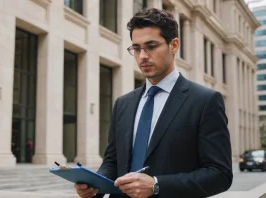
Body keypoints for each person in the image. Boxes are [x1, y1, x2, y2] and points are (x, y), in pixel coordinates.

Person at [74, 8, 232, 198]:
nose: (142, 56)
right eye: (136, 48)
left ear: (174, 45)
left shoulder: (205, 101)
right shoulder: (123, 104)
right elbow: (112, 162)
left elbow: (220, 174)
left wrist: (157, 185)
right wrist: (94, 184)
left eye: (151, 46)